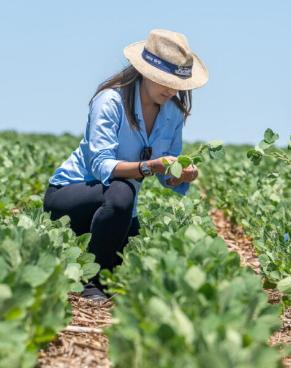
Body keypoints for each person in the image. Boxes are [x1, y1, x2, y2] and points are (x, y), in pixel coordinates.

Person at [44, 30, 208, 301]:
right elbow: (101, 166)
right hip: (70, 196)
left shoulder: (173, 113)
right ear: (145, 72)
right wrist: (150, 166)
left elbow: (166, 172)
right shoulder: (110, 100)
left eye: (178, 83)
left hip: (117, 204)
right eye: (165, 81)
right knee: (122, 192)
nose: (172, 90)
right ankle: (91, 285)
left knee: (128, 250)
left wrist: (182, 175)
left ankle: (98, 274)